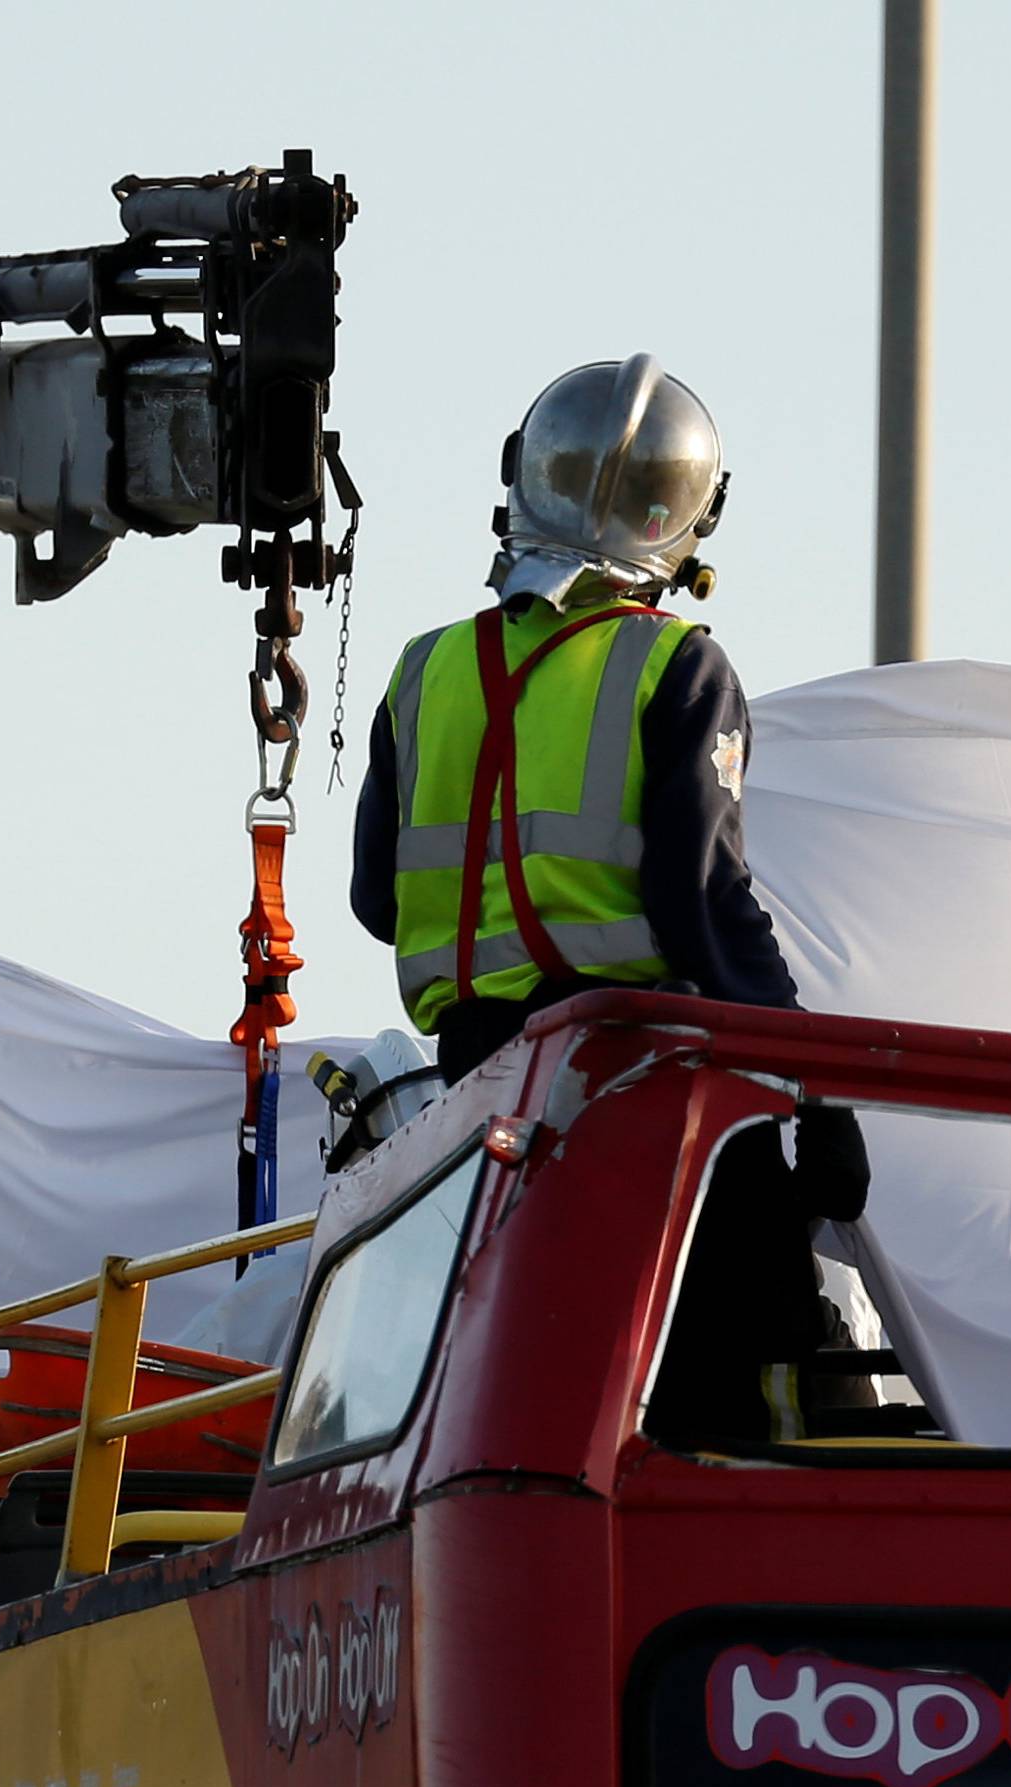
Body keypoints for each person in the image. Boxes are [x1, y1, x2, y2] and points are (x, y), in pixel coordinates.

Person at [350, 357, 868, 1434]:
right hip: (631, 1087)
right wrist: (820, 1085)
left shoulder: (421, 671)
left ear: (520, 480)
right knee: (747, 1359)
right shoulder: (678, 667)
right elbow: (705, 911)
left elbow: (376, 900)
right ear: (684, 527)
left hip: (473, 1105)